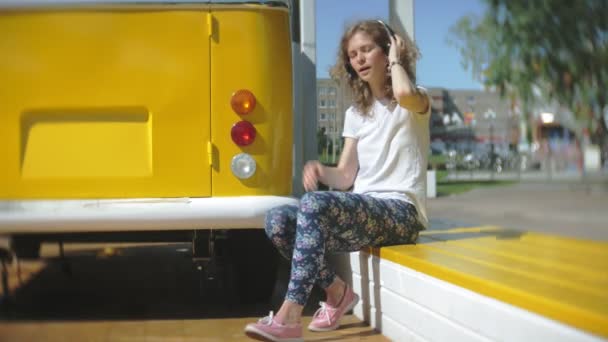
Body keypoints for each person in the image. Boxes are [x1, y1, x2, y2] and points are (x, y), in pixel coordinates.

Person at [245, 19, 430, 341]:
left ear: (388, 50)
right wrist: (319, 169)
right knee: (277, 220)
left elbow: (402, 91)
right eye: (352, 54)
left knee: (313, 204)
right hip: (366, 211)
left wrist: (397, 58)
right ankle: (337, 291)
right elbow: (345, 177)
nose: (358, 59)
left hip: (401, 213)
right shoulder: (356, 114)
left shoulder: (415, 100)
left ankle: (289, 316)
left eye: (367, 50)